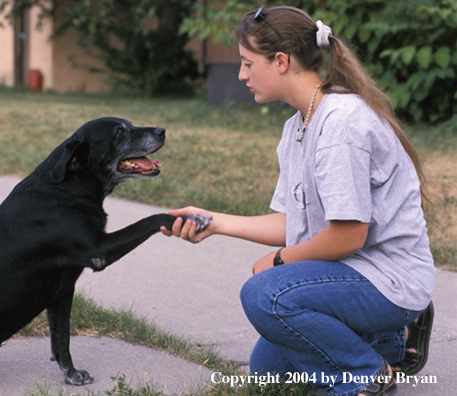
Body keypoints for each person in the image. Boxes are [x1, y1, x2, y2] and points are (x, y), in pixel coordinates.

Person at [160, 5, 435, 396]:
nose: (241, 75)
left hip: (388, 279)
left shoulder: (341, 124)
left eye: (247, 63)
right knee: (268, 369)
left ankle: (369, 374)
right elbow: (291, 222)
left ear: (281, 61)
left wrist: (277, 262)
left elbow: (348, 237)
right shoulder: (298, 126)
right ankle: (393, 339)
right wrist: (214, 221)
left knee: (264, 294)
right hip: (350, 272)